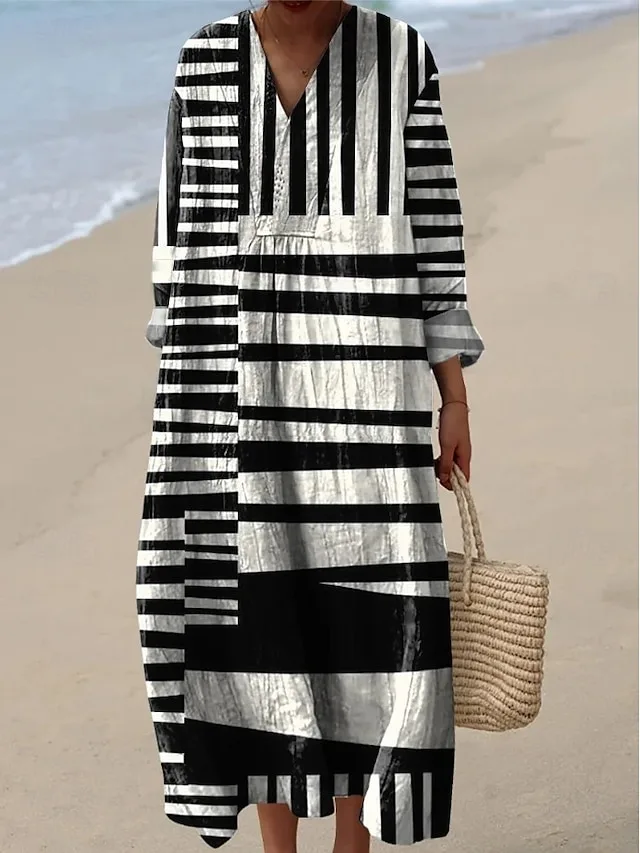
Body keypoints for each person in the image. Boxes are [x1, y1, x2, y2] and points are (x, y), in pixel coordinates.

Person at [136, 1, 484, 851]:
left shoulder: (399, 57)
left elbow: (436, 237)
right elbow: (175, 250)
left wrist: (454, 397)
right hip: (226, 389)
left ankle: (353, 843)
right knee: (253, 618)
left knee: (367, 612)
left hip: (366, 394)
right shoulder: (205, 61)